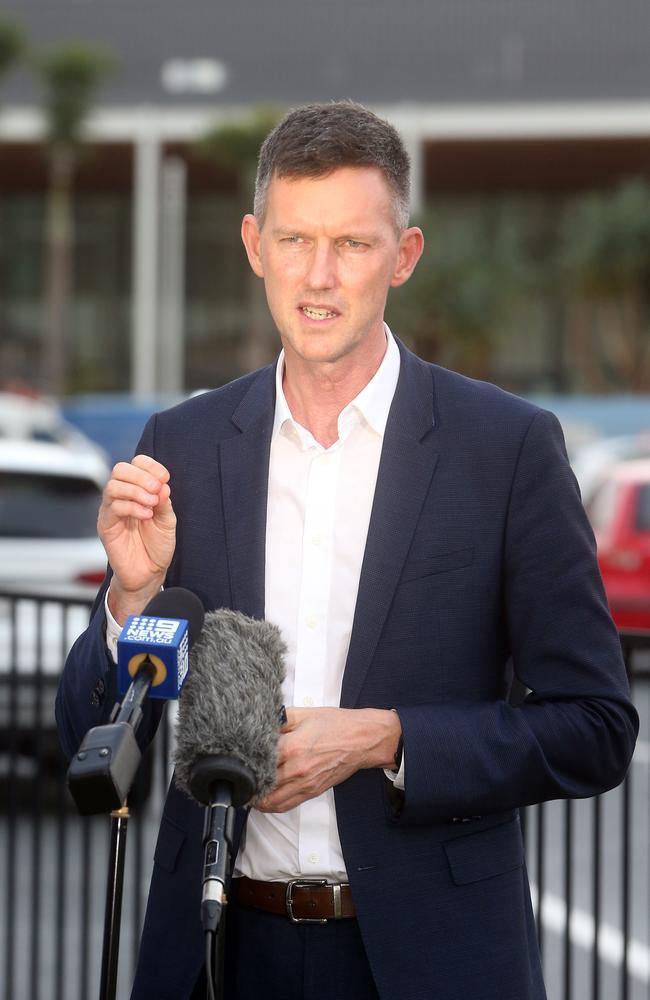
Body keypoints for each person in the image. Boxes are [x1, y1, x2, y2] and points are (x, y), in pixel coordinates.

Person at [56, 102, 638, 1000]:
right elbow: (84, 744)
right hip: (215, 950)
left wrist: (389, 739)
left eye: (353, 246)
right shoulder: (184, 442)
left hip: (430, 962)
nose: (318, 277)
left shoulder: (506, 449)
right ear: (255, 245)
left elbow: (595, 728)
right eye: (295, 241)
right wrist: (131, 606)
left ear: (403, 256)